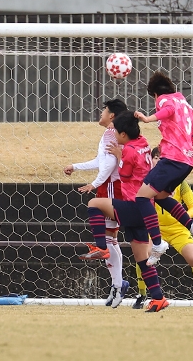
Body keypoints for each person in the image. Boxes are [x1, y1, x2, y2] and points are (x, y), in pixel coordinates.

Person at [81, 111, 169, 312]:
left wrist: (120, 156)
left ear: (122, 135)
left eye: (117, 133)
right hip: (145, 209)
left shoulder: (128, 151)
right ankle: (158, 298)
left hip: (133, 206)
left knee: (94, 203)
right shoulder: (144, 142)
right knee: (143, 260)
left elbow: (125, 174)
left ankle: (102, 247)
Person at [133, 72, 193, 265]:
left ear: (155, 94)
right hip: (186, 162)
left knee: (141, 197)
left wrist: (148, 118)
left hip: (172, 159)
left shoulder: (166, 100)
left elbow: (168, 109)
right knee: (161, 197)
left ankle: (157, 243)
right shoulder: (186, 104)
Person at [64, 99, 128, 307]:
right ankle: (117, 285)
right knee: (112, 239)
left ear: (111, 115)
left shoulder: (112, 133)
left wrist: (94, 183)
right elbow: (100, 161)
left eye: (104, 110)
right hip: (109, 184)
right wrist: (76, 166)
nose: (100, 113)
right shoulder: (111, 132)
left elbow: (109, 165)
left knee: (108, 240)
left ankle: (117, 285)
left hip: (111, 186)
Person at [132, 147, 193, 309]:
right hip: (153, 228)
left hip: (178, 229)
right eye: (156, 157)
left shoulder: (180, 183)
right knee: (143, 257)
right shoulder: (146, 181)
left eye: (162, 158)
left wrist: (183, 218)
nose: (158, 161)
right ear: (151, 160)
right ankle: (141, 295)